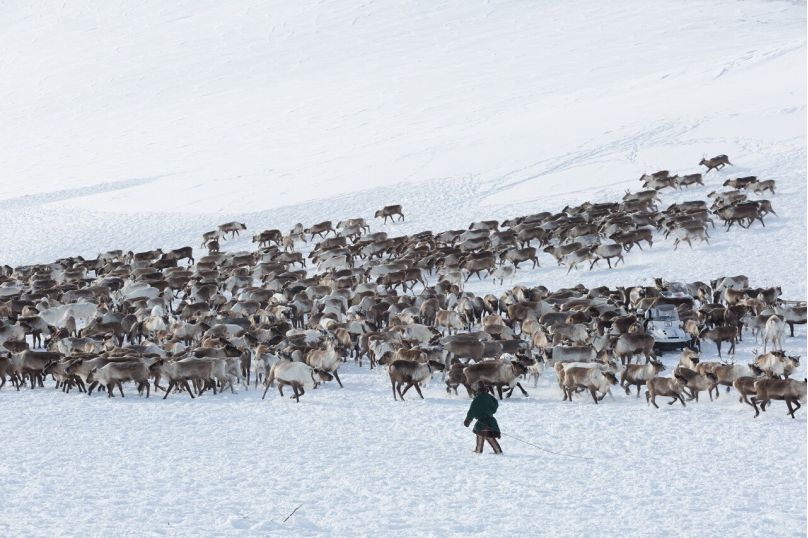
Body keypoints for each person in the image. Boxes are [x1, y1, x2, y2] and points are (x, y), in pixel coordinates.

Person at [463, 383, 502, 454]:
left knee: (484, 435)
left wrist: (467, 421)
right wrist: (489, 412)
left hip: (482, 422)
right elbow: (495, 405)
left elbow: (472, 411)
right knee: (485, 435)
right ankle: (494, 450)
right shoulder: (490, 397)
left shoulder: (477, 400)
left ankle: (481, 450)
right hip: (491, 421)